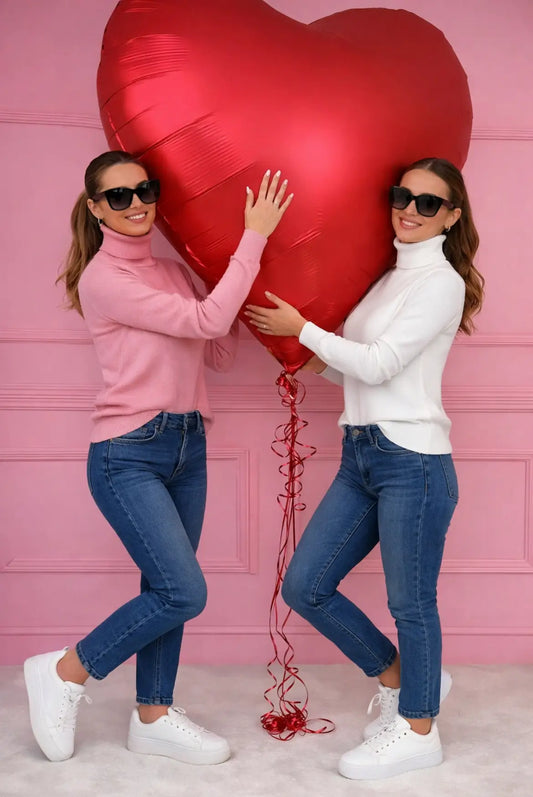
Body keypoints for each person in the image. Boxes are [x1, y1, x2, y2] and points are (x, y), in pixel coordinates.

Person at [23, 150, 292, 765]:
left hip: (186, 444)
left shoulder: (169, 271)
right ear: (96, 208)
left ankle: (154, 714)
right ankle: (67, 670)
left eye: (145, 189)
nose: (137, 202)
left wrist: (230, 290)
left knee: (163, 585)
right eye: (119, 196)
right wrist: (253, 239)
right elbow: (206, 321)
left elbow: (215, 348)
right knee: (182, 591)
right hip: (127, 454)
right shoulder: (104, 278)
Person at [245, 157, 483, 780]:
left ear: (452, 217)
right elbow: (363, 369)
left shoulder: (442, 282)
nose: (409, 208)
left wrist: (306, 329)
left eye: (428, 203)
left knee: (411, 602)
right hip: (361, 455)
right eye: (402, 195)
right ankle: (408, 682)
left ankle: (418, 728)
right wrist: (305, 359)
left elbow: (379, 365)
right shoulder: (387, 278)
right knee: (306, 586)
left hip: (414, 462)